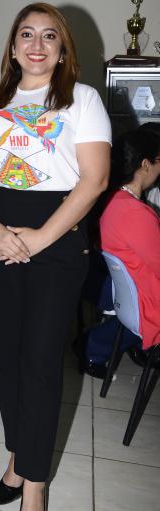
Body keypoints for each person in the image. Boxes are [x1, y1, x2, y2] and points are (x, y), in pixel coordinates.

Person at [0, 3, 111, 511]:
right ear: (13, 45)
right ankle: (18, 458)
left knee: (42, 363)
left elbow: (92, 181)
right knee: (6, 356)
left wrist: (39, 240)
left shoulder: (82, 100)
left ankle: (35, 484)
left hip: (58, 238)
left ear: (63, 47)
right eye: (27, 34)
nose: (38, 45)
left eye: (50, 36)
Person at [100, 129, 160, 351]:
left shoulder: (116, 201)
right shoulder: (134, 212)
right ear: (145, 164)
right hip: (150, 306)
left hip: (133, 301)